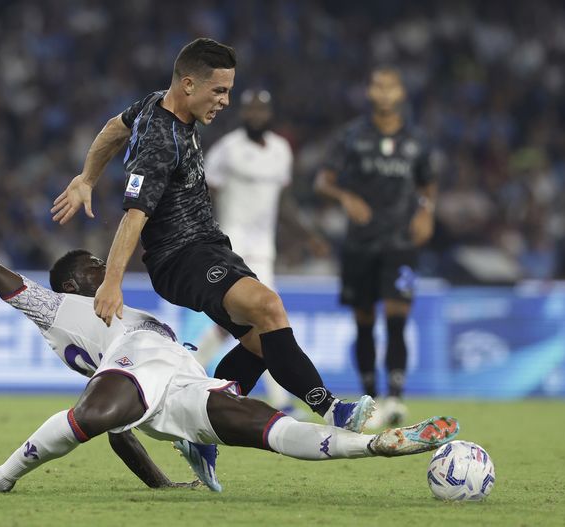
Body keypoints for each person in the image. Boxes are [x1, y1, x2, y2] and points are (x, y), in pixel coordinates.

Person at [0, 186, 460, 494]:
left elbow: (123, 436)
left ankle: (376, 444)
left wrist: (163, 486)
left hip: (183, 381)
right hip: (133, 368)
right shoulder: (57, 307)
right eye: (96, 264)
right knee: (100, 410)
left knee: (269, 421)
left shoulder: (132, 313)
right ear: (74, 283)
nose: (107, 266)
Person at [50, 38, 374, 431]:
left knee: (260, 340)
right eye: (219, 90)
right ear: (188, 84)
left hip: (207, 247)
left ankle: (202, 427)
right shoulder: (160, 141)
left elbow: (113, 129)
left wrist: (86, 178)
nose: (225, 101)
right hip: (182, 257)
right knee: (268, 306)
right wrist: (112, 283)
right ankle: (333, 410)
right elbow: (134, 216)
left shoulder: (154, 103)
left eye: (228, 91)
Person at [315, 67, 439, 426]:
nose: (384, 93)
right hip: (361, 244)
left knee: (398, 317)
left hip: (402, 242)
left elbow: (428, 183)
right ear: (370, 92)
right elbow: (323, 180)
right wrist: (345, 196)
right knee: (364, 322)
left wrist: (426, 212)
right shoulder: (352, 136)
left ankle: (396, 397)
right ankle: (370, 396)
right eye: (378, 87)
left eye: (390, 87)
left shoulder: (417, 140)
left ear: (401, 93)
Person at [194, 89, 328, 413]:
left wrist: (307, 236)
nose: (256, 115)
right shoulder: (227, 149)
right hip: (231, 246)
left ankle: (187, 369)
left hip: (263, 250)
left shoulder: (281, 151)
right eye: (250, 109)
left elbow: (282, 203)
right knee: (263, 323)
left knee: (243, 326)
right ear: (242, 113)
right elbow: (203, 194)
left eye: (261, 110)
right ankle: (281, 400)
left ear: (270, 114)